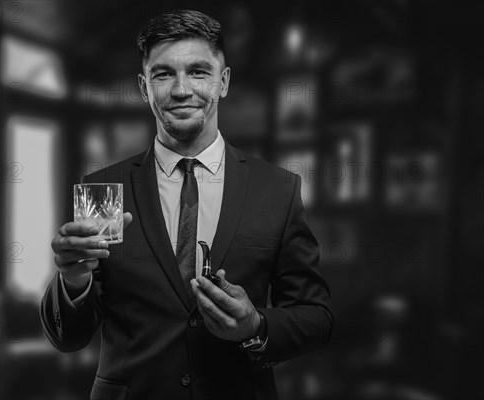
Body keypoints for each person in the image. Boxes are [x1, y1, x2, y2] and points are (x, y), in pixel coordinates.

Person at [41, 9, 333, 400]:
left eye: (198, 71)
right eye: (164, 74)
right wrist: (73, 281)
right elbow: (68, 338)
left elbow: (316, 317)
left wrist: (256, 325)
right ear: (145, 87)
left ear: (223, 81)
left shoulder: (277, 190)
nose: (181, 90)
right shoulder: (103, 190)